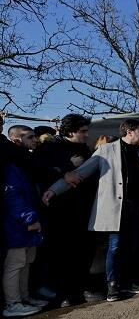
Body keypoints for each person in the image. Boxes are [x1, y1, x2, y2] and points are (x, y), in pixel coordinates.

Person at [41, 119, 139, 302]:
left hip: (138, 207)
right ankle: (113, 285)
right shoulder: (106, 151)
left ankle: (129, 281)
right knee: (116, 246)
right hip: (117, 209)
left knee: (134, 246)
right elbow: (81, 172)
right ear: (129, 132)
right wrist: (54, 189)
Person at [34, 114, 102, 306]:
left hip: (84, 209)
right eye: (83, 131)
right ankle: (64, 292)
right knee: (63, 254)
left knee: (84, 251)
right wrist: (66, 168)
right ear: (70, 131)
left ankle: (81, 288)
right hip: (60, 212)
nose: (86, 135)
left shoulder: (84, 149)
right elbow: (38, 170)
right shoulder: (49, 148)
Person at [1, 125, 47, 317]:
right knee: (16, 264)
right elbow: (13, 196)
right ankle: (13, 304)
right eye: (30, 137)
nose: (35, 140)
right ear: (16, 140)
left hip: (26, 221)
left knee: (26, 262)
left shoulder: (22, 162)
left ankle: (25, 297)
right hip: (18, 223)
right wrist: (30, 218)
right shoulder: (12, 165)